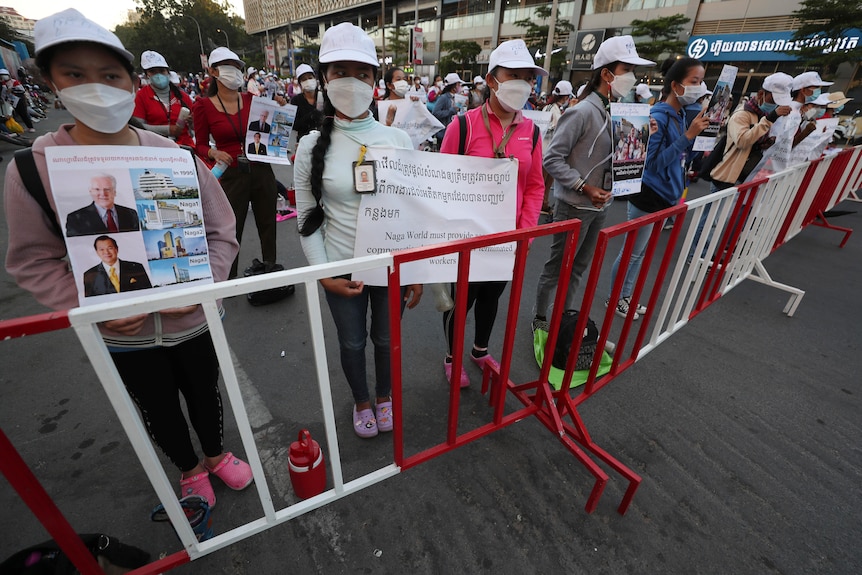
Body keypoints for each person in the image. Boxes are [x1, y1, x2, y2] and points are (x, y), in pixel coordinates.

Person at [4, 8, 251, 507]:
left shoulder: (174, 158)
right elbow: (32, 260)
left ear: (129, 81)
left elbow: (222, 230)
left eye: (110, 75)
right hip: (123, 335)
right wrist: (94, 303)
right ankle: (187, 469)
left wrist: (208, 286)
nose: (96, 87)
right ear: (50, 82)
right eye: (75, 74)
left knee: (207, 394)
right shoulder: (33, 170)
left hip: (192, 320)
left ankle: (217, 454)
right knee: (156, 407)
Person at [294, 22, 422, 438]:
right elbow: (306, 217)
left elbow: (414, 211)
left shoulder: (399, 139)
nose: (352, 82)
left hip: (389, 268)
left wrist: (417, 272)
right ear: (325, 80)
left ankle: (384, 395)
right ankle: (362, 400)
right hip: (340, 270)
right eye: (340, 72)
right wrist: (324, 274)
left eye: (362, 73)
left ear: (375, 81)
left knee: (386, 340)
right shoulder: (310, 147)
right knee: (352, 344)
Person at [438, 39, 546, 387]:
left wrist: (525, 232)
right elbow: (441, 180)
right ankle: (452, 357)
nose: (522, 83)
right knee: (460, 301)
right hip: (465, 239)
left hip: (507, 238)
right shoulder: (463, 126)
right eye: (512, 75)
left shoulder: (532, 131)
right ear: (492, 80)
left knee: (491, 298)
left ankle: (480, 350)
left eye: (527, 77)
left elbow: (535, 186)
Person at [533, 35, 655, 332]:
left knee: (578, 268)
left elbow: (618, 157)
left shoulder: (619, 111)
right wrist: (583, 187)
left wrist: (642, 136)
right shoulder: (582, 111)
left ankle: (564, 317)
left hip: (600, 205)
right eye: (627, 70)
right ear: (607, 73)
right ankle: (540, 318)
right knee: (557, 267)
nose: (632, 78)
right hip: (573, 205)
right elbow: (552, 159)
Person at [605, 57, 710, 319]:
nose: (699, 87)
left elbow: (682, 158)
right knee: (632, 252)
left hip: (664, 195)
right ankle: (616, 298)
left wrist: (694, 133)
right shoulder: (659, 115)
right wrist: (688, 137)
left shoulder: (679, 115)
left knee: (638, 254)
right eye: (693, 82)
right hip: (648, 193)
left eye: (701, 82)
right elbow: (651, 164)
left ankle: (625, 296)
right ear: (676, 85)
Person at [193, 46, 282, 278]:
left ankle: (270, 270)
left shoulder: (253, 100)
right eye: (228, 67)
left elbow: (271, 132)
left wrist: (281, 111)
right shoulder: (203, 106)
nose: (234, 72)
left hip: (261, 169)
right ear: (213, 71)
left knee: (268, 225)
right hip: (232, 174)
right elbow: (199, 145)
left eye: (237, 68)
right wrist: (213, 153)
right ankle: (228, 279)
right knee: (231, 228)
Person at [132, 50, 194, 148]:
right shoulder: (140, 97)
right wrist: (168, 130)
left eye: (161, 71)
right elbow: (138, 127)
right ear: (147, 74)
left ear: (167, 72)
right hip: (156, 150)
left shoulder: (183, 96)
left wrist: (192, 123)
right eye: (153, 71)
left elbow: (196, 128)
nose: (158, 75)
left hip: (185, 148)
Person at [66, 174, 140, 236]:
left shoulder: (131, 214)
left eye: (107, 189)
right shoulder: (75, 218)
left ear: (114, 191)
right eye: (97, 189)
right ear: (91, 192)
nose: (103, 194)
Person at [83, 235, 152, 296]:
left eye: (110, 248)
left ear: (116, 249)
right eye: (102, 249)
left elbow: (148, 293)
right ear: (97, 252)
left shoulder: (136, 267)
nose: (106, 252)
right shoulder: (89, 275)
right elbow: (91, 302)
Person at [290, 63, 324, 142]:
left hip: (323, 140)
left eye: (310, 78)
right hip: (304, 141)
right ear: (300, 83)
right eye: (304, 79)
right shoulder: (296, 100)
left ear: (315, 78)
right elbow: (294, 125)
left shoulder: (323, 96)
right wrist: (311, 116)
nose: (308, 81)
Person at [432, 73, 464, 140]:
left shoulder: (458, 97)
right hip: (445, 133)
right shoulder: (444, 98)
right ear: (453, 86)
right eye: (458, 84)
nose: (459, 87)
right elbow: (435, 112)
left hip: (455, 131)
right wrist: (450, 111)